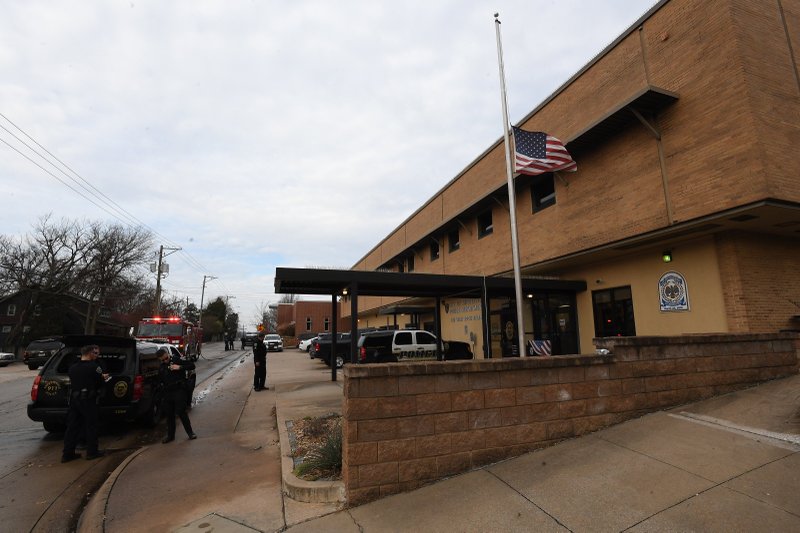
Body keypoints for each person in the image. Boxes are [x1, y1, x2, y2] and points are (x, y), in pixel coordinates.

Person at [62, 344, 108, 462]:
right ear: (90, 353)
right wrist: (103, 378)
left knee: (72, 427)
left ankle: (67, 453)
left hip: (74, 400)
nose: (96, 355)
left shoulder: (73, 367)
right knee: (91, 426)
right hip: (88, 400)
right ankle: (92, 452)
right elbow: (100, 383)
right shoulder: (94, 367)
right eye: (95, 353)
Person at [158, 347, 197, 443]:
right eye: (162, 360)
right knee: (169, 415)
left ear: (167, 354)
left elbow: (192, 365)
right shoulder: (162, 366)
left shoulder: (176, 359)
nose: (165, 361)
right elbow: (160, 380)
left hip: (179, 390)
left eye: (166, 358)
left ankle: (190, 433)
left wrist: (179, 367)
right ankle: (171, 436)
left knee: (181, 412)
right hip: (168, 392)